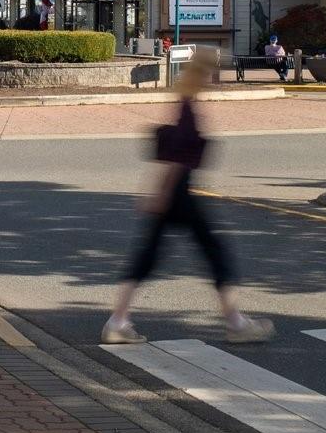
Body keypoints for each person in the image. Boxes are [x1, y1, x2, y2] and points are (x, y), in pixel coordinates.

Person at [103, 52, 273, 345]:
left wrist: (156, 193)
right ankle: (236, 324)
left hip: (175, 194)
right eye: (210, 73)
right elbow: (176, 160)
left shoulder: (185, 104)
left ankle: (117, 321)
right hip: (179, 194)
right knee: (215, 254)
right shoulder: (188, 110)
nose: (214, 79)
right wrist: (161, 194)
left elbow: (169, 155)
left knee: (148, 257)